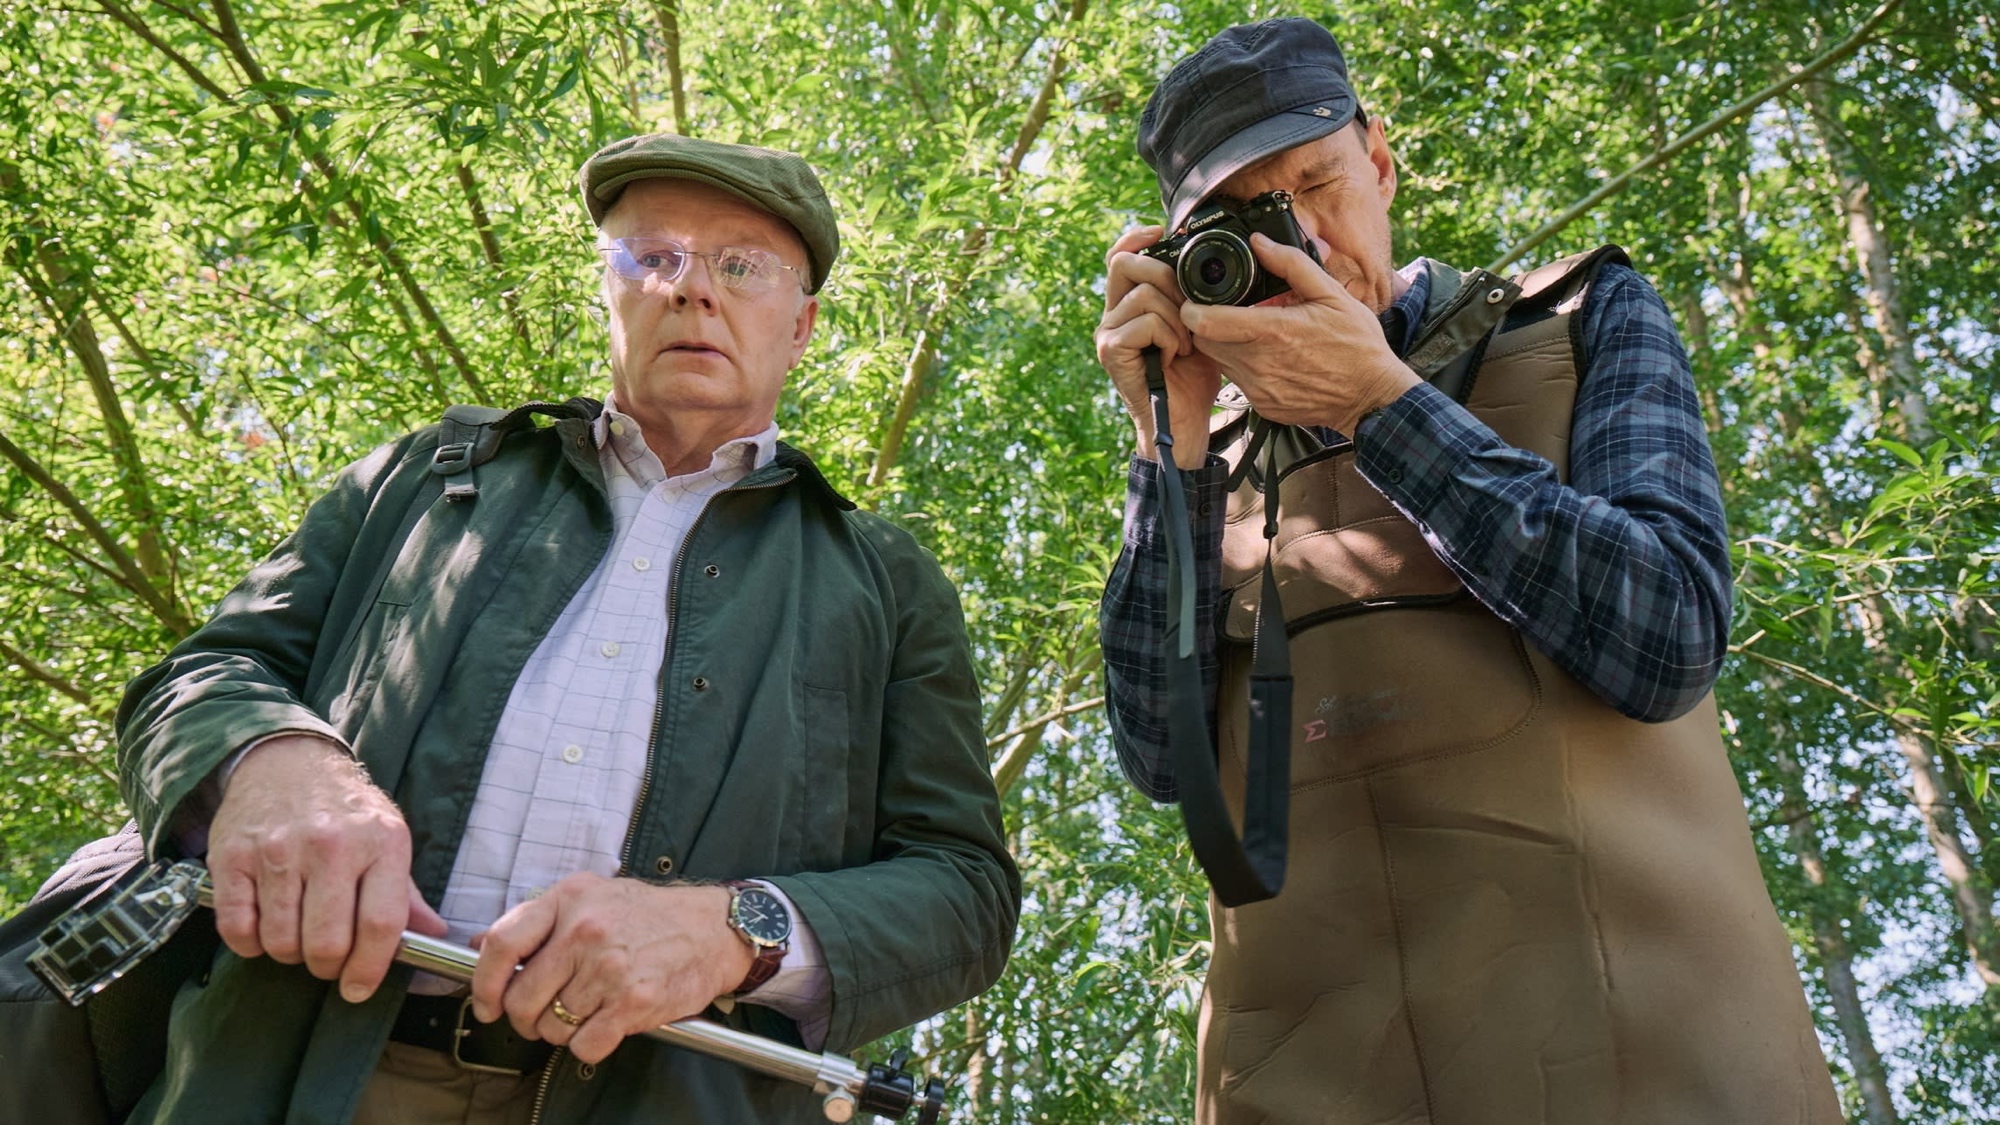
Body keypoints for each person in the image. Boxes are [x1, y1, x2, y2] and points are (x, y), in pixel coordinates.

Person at [114, 133, 1020, 1123]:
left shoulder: (886, 583)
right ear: (607, 289)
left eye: (740, 266)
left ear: (799, 326)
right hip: (284, 1072)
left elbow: (964, 893)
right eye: (653, 256)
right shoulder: (425, 480)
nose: (691, 288)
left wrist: (731, 932)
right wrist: (273, 764)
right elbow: (198, 679)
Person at [1094, 18, 1839, 1125]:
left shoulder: (1577, 320)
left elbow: (1668, 632)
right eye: (1246, 222)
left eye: (1316, 183)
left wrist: (1380, 405)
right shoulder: (1203, 457)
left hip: (1649, 1068)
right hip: (1306, 1086)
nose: (1303, 239)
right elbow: (1160, 758)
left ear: (1380, 161)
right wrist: (1171, 448)